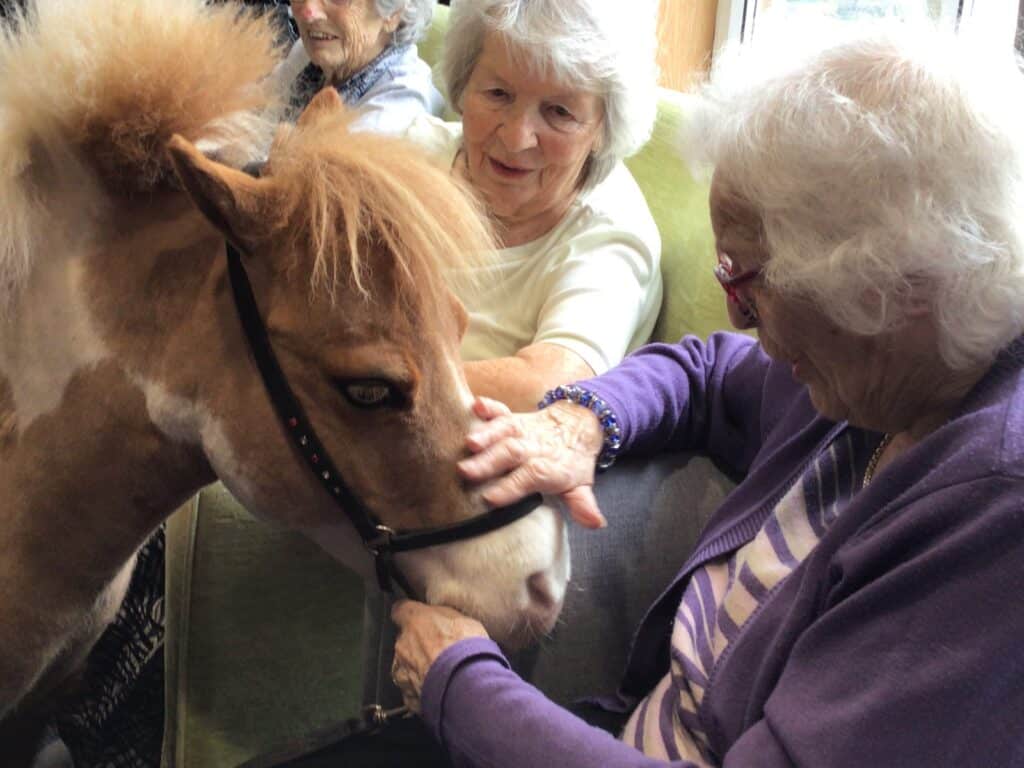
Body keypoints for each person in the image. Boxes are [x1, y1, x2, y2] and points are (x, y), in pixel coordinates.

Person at [380, 21, 1024, 768]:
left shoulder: (990, 516)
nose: (737, 312)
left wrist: (461, 686)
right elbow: (709, 371)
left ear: (885, 288)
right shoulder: (893, 379)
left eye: (748, 275)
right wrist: (582, 420)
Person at [405, 0, 663, 411]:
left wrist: (377, 380)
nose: (516, 138)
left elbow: (548, 382)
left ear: (602, 127)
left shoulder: (608, 237)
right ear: (463, 86)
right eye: (498, 94)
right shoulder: (414, 154)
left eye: (559, 112)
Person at [276, 0, 443, 134]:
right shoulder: (313, 53)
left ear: (393, 13)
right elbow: (257, 116)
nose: (308, 13)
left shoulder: (399, 106)